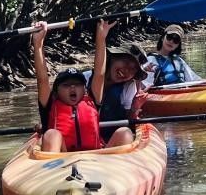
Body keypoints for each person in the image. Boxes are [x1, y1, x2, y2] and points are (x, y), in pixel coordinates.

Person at [32, 19, 133, 152]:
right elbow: (43, 80)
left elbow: (99, 74)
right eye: (66, 85)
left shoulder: (92, 100)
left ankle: (123, 169)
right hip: (61, 159)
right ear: (56, 91)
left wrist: (101, 37)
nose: (73, 88)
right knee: (52, 135)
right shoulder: (50, 104)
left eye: (78, 84)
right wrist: (38, 43)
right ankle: (50, 169)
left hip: (97, 158)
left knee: (124, 132)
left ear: (84, 88)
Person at [82, 21, 150, 142]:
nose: (127, 70)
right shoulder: (84, 79)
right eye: (125, 62)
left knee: (125, 133)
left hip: (113, 140)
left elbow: (130, 122)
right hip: (86, 138)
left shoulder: (128, 87)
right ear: (112, 58)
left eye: (133, 69)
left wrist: (135, 108)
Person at [143, 24, 206, 88]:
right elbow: (144, 86)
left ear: (178, 45)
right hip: (162, 96)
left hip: (181, 94)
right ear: (163, 37)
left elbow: (194, 80)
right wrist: (144, 71)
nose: (171, 41)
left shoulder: (179, 61)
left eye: (176, 40)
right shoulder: (151, 60)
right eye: (169, 37)